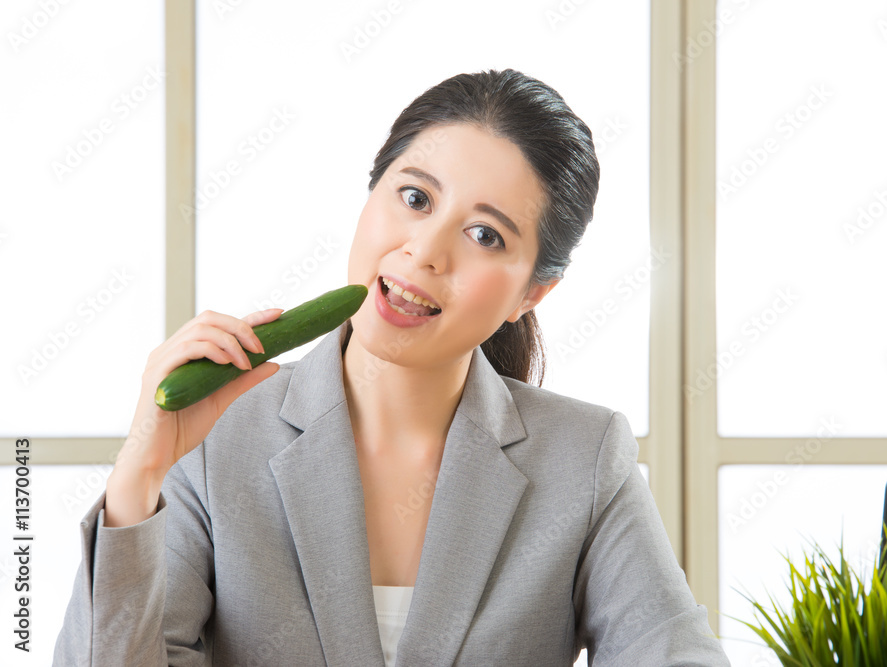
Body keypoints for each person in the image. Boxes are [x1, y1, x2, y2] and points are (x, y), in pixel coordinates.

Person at [54, 68, 730, 666]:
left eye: (485, 234)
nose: (424, 251)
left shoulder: (582, 458)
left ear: (531, 293)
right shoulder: (214, 442)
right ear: (370, 196)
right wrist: (140, 474)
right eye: (414, 198)